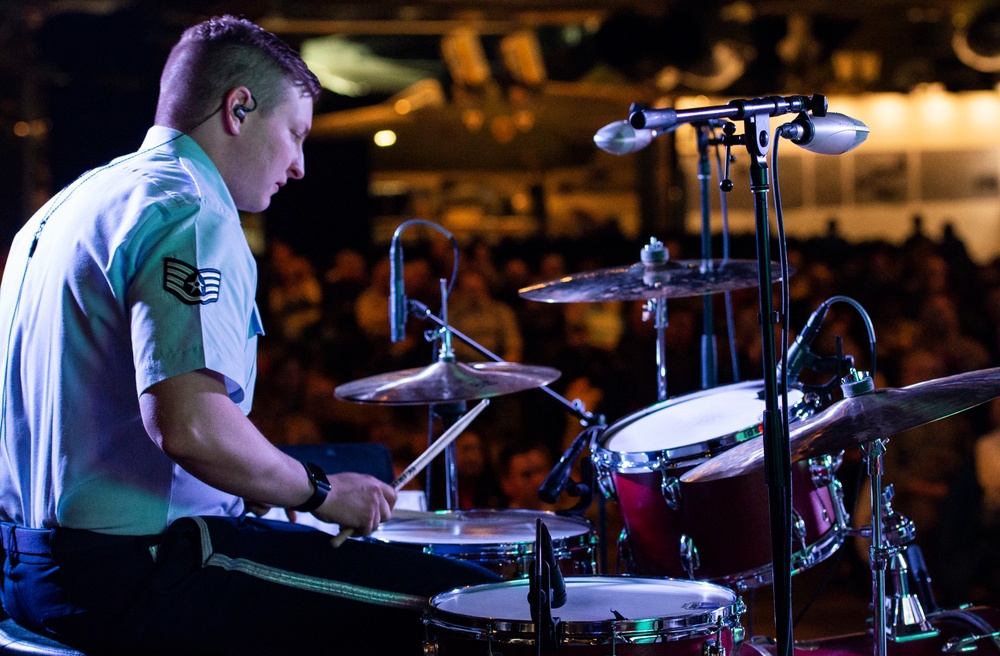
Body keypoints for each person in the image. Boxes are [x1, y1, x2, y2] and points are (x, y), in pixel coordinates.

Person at [0, 15, 496, 655]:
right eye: (295, 134)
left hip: (26, 567)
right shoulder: (189, 209)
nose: (299, 167)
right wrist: (320, 492)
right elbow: (191, 427)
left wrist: (261, 491)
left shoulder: (65, 207)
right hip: (136, 573)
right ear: (238, 109)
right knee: (468, 608)